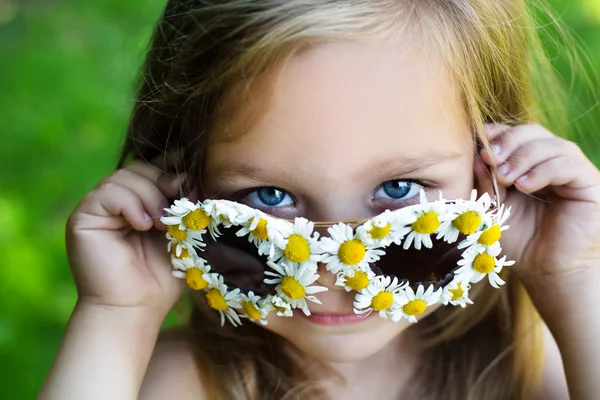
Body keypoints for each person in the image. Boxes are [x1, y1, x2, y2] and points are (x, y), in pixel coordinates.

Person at [39, 1, 600, 399]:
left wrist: (573, 279)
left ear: (493, 177)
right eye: (270, 196)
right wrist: (119, 315)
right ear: (184, 187)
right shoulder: (188, 382)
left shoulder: (528, 363)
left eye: (398, 190)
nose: (334, 267)